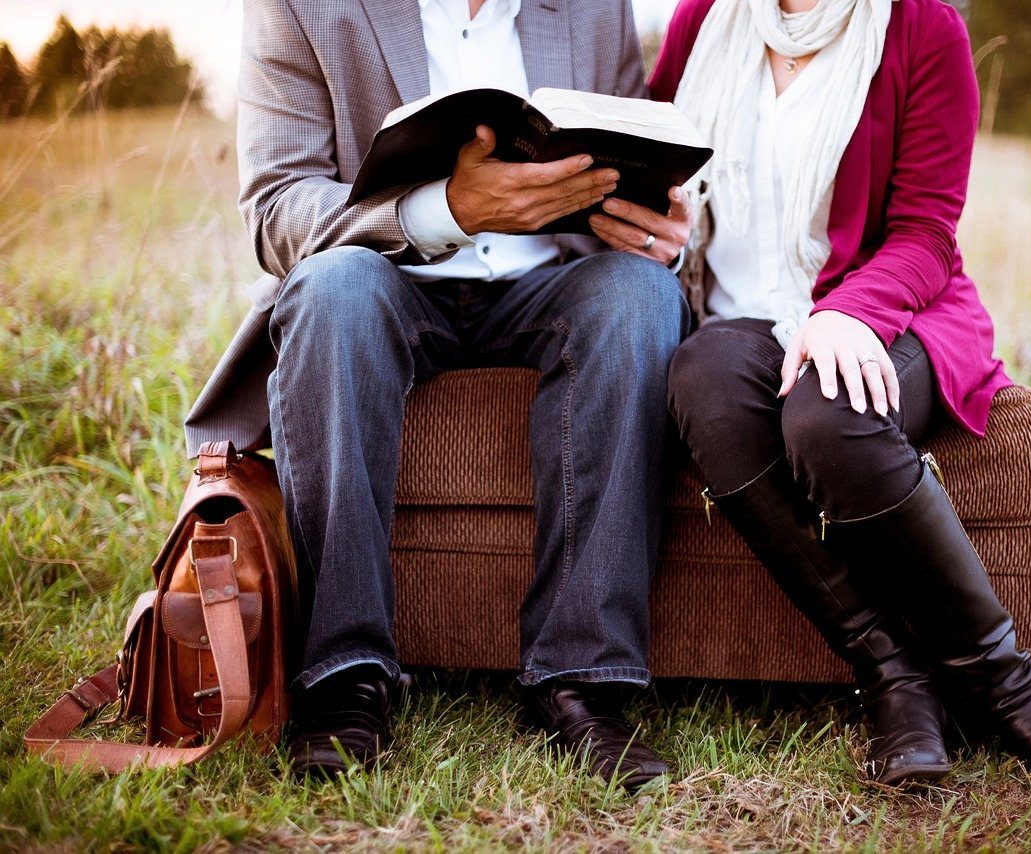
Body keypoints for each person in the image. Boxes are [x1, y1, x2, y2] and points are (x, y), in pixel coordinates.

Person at [184, 0, 693, 788]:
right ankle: (347, 677)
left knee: (640, 297)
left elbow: (626, 163)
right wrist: (445, 211)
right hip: (385, 275)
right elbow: (276, 209)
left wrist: (649, 219)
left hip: (550, 282)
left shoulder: (597, 7)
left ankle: (581, 681)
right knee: (333, 291)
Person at [652, 0, 1031, 792]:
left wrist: (846, 313)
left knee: (828, 411)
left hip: (889, 309)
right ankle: (894, 675)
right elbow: (653, 169)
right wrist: (642, 218)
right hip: (736, 321)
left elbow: (926, 228)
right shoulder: (701, 21)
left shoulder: (920, 25)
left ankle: (1002, 682)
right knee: (701, 377)